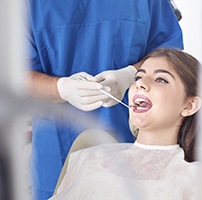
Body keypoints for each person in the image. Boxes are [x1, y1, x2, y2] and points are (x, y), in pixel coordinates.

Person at [25, 0, 183, 199]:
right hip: (57, 146)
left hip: (132, 138)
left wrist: (130, 74)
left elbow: (172, 55)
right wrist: (61, 88)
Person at [49, 48, 202, 199]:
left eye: (161, 79)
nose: (140, 84)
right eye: (138, 78)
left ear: (189, 106)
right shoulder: (91, 159)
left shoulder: (199, 180)